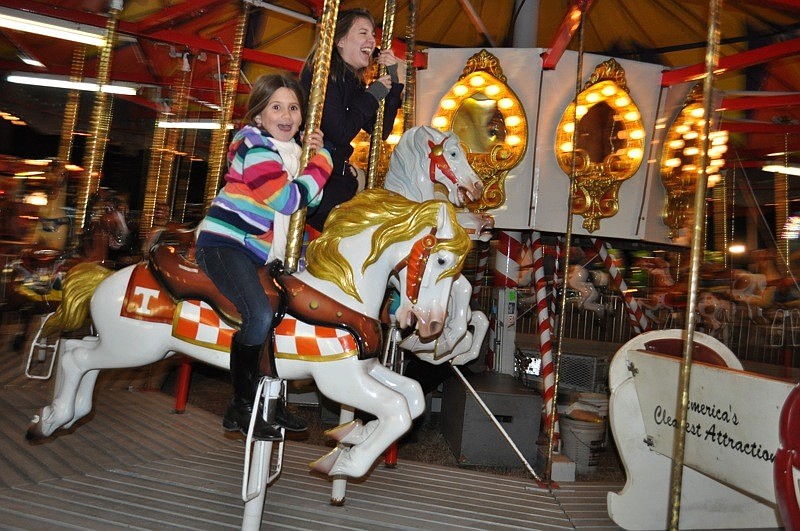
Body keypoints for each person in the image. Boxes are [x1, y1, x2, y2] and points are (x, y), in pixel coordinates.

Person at [195, 74, 333, 441]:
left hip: (254, 249)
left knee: (282, 309)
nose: (286, 115)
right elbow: (288, 200)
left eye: (293, 108)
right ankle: (240, 406)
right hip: (225, 244)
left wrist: (310, 160)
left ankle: (268, 402)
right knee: (258, 313)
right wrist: (322, 163)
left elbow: (309, 204)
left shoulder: (286, 153)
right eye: (276, 107)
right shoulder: (254, 148)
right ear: (258, 116)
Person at [300, 7, 405, 232]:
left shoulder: (352, 81)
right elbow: (340, 131)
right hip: (317, 177)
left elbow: (380, 131)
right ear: (340, 40)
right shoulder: (323, 74)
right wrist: (371, 95)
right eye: (363, 33)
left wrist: (394, 83)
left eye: (373, 35)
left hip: (336, 175)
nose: (372, 41)